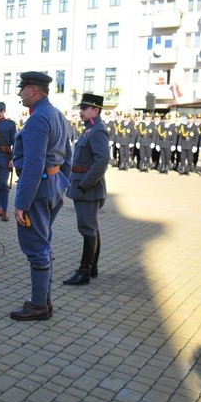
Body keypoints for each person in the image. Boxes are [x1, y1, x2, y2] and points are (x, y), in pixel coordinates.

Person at [9, 71, 71, 321]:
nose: (20, 94)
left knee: (36, 247)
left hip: (38, 190)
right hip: (53, 186)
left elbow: (33, 164)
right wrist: (62, 184)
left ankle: (38, 306)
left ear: (33, 90)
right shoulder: (57, 114)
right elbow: (68, 154)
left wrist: (21, 203)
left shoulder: (37, 119)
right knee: (44, 244)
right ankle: (43, 300)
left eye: (22, 89)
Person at [63, 93, 109, 286]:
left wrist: (85, 184)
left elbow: (102, 160)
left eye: (84, 108)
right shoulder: (89, 129)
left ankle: (84, 272)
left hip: (87, 188)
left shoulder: (97, 130)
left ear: (95, 110)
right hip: (83, 185)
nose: (80, 111)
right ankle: (92, 267)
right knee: (92, 228)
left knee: (87, 228)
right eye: (80, 108)